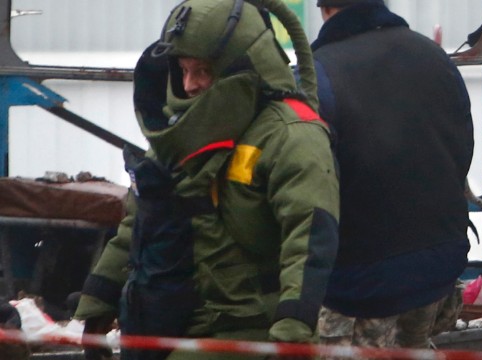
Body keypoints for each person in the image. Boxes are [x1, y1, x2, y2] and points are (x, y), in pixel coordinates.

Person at [73, 0, 339, 359]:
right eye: (183, 70)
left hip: (252, 332)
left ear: (245, 67)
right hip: (168, 323)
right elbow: (143, 221)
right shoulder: (181, 134)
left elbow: (309, 238)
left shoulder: (292, 137)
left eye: (203, 71)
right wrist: (99, 299)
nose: (190, 85)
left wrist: (292, 330)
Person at [311, 0, 474, 350]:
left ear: (324, 9)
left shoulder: (319, 74)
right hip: (436, 267)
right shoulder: (436, 57)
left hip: (358, 283)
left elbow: (311, 188)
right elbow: (462, 151)